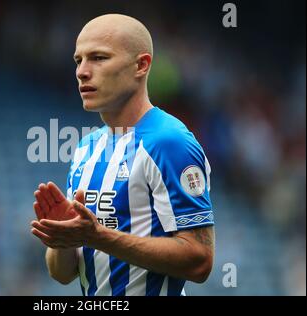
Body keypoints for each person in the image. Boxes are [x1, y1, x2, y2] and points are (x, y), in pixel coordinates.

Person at [30, 14, 215, 296]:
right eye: (78, 60)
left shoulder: (169, 141)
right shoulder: (85, 149)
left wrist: (97, 236)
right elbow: (62, 274)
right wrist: (62, 237)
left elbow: (199, 260)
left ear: (141, 65)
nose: (82, 71)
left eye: (99, 58)